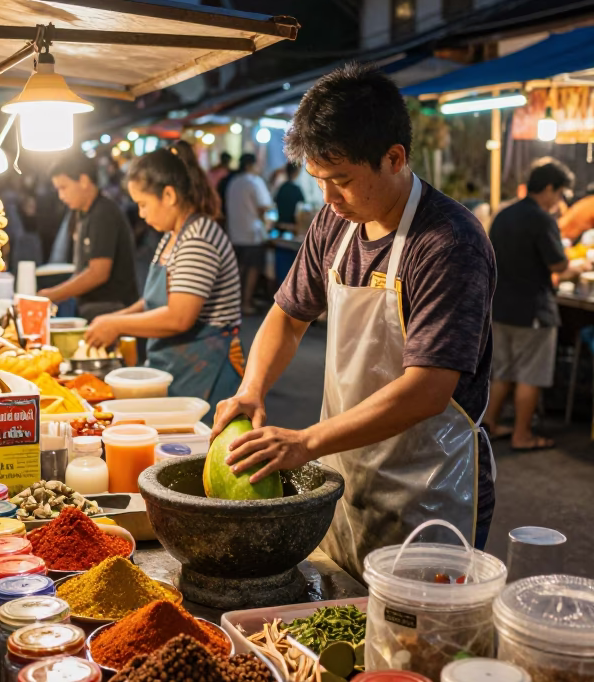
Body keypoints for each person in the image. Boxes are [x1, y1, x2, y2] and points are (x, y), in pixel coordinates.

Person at [212, 63, 497, 581]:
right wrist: (252, 388)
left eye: (341, 181)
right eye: (319, 181)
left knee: (415, 647)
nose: (328, 198)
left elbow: (428, 389)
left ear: (394, 158)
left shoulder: (449, 242)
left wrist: (304, 443)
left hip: (429, 487)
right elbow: (288, 315)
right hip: (345, 473)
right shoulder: (335, 223)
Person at [84, 142, 244, 411]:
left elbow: (179, 317)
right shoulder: (172, 237)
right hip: (177, 367)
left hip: (207, 371)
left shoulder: (198, 239)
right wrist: (112, 320)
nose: (142, 215)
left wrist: (116, 325)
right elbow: (152, 303)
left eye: (143, 204)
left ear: (168, 195)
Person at [484, 157, 581, 451]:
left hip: (499, 307)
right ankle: (522, 435)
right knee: (530, 375)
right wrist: (578, 265)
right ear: (549, 188)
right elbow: (559, 265)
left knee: (502, 371)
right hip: (532, 311)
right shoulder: (541, 219)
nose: (560, 201)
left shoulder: (504, 214)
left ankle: (490, 424)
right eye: (561, 194)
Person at [38, 153, 138, 321]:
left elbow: (98, 273)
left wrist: (52, 295)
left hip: (112, 311)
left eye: (63, 187)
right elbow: (82, 269)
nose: (61, 196)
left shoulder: (103, 213)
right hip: (92, 309)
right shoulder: (83, 214)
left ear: (84, 181)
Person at [226, 153, 273, 315]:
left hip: (235, 232)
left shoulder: (233, 182)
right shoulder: (254, 181)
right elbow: (264, 206)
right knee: (253, 268)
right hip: (252, 234)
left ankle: (233, 303)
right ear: (250, 165)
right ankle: (246, 303)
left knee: (239, 269)